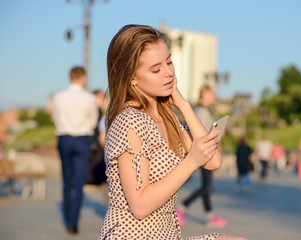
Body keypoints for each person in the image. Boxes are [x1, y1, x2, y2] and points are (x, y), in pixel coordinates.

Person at [98, 24, 247, 240]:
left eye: (169, 61)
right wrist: (190, 162)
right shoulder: (129, 122)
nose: (168, 73)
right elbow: (139, 205)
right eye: (156, 69)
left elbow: (213, 161)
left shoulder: (168, 116)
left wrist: (183, 105)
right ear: (132, 78)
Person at [52, 66, 98, 234]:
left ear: (69, 77)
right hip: (83, 140)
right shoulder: (89, 98)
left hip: (64, 139)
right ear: (83, 78)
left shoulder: (58, 97)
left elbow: (55, 117)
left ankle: (67, 216)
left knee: (66, 180)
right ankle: (73, 221)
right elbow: (93, 121)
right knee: (79, 183)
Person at [176, 85, 227, 229]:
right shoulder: (201, 111)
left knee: (206, 185)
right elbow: (200, 133)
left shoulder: (203, 111)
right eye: (212, 94)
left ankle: (209, 215)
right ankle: (182, 207)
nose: (214, 97)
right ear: (204, 94)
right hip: (205, 153)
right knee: (207, 185)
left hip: (207, 152)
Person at [86, 90, 107, 186]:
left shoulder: (96, 110)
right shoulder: (95, 110)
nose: (102, 100)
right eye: (100, 98)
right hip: (94, 141)